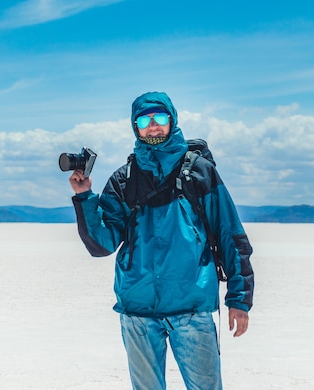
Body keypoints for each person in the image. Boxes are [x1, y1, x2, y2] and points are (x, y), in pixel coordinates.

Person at [68, 91, 254, 389]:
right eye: (144, 120)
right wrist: (84, 197)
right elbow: (101, 244)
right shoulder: (124, 179)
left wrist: (239, 299)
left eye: (159, 118)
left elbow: (230, 234)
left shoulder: (199, 172)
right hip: (138, 309)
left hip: (191, 306)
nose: (153, 126)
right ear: (135, 126)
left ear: (172, 120)